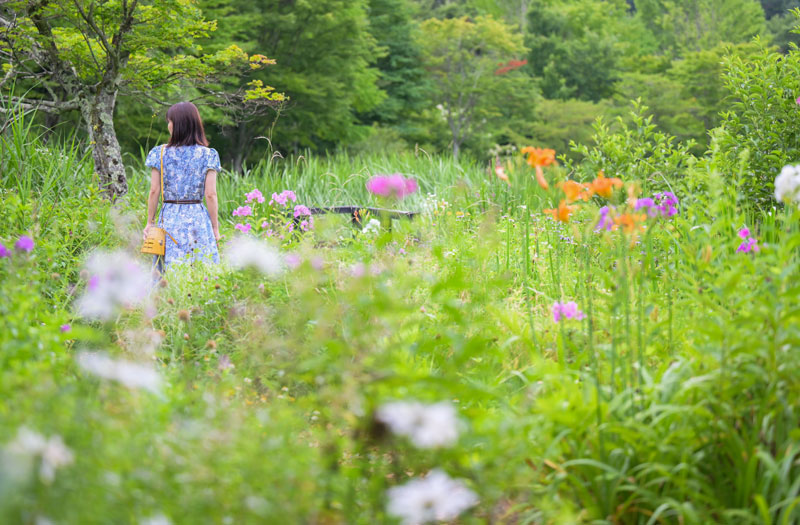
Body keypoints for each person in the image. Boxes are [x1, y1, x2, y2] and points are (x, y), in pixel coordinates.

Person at [143, 102, 221, 272]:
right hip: (197, 218)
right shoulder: (208, 155)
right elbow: (210, 194)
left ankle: (167, 290)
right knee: (200, 267)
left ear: (177, 124)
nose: (168, 125)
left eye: (169, 121)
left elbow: (154, 190)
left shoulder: (159, 153)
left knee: (168, 269)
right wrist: (215, 227)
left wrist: (150, 222)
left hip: (169, 218)